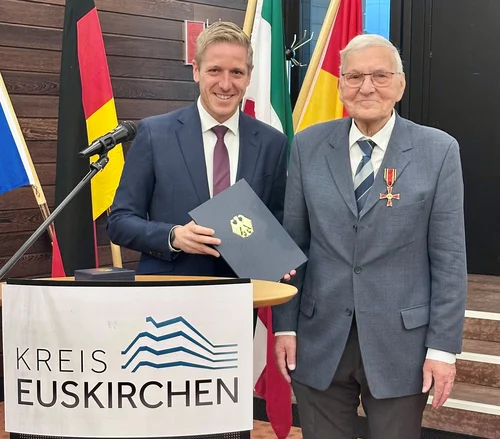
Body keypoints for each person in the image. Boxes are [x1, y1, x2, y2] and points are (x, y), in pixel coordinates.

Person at [272, 34, 467, 439]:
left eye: (380, 75)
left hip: (403, 347)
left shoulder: (438, 151)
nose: (366, 87)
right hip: (319, 339)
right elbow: (294, 245)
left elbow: (449, 259)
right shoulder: (308, 145)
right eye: (355, 76)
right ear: (340, 84)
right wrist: (284, 327)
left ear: (400, 84)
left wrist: (443, 349)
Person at [107, 21, 289, 279]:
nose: (225, 84)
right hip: (171, 290)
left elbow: (278, 224)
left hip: (244, 292)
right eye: (214, 70)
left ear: (249, 76)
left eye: (236, 72)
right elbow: (120, 222)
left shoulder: (273, 143)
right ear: (196, 71)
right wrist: (173, 236)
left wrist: (279, 259)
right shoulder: (155, 134)